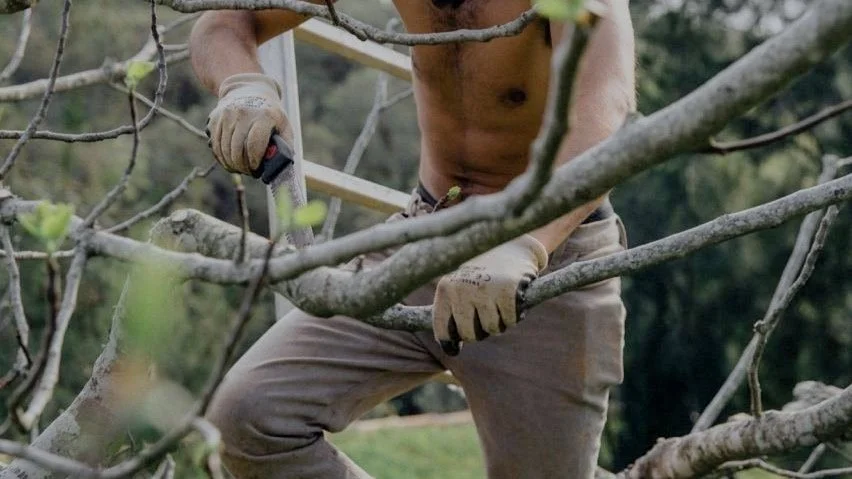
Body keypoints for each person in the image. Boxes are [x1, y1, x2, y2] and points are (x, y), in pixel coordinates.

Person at [190, 1, 634, 477]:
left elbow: (604, 112)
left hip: (547, 260)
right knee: (246, 418)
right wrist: (244, 86)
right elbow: (222, 22)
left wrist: (524, 242)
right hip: (425, 237)